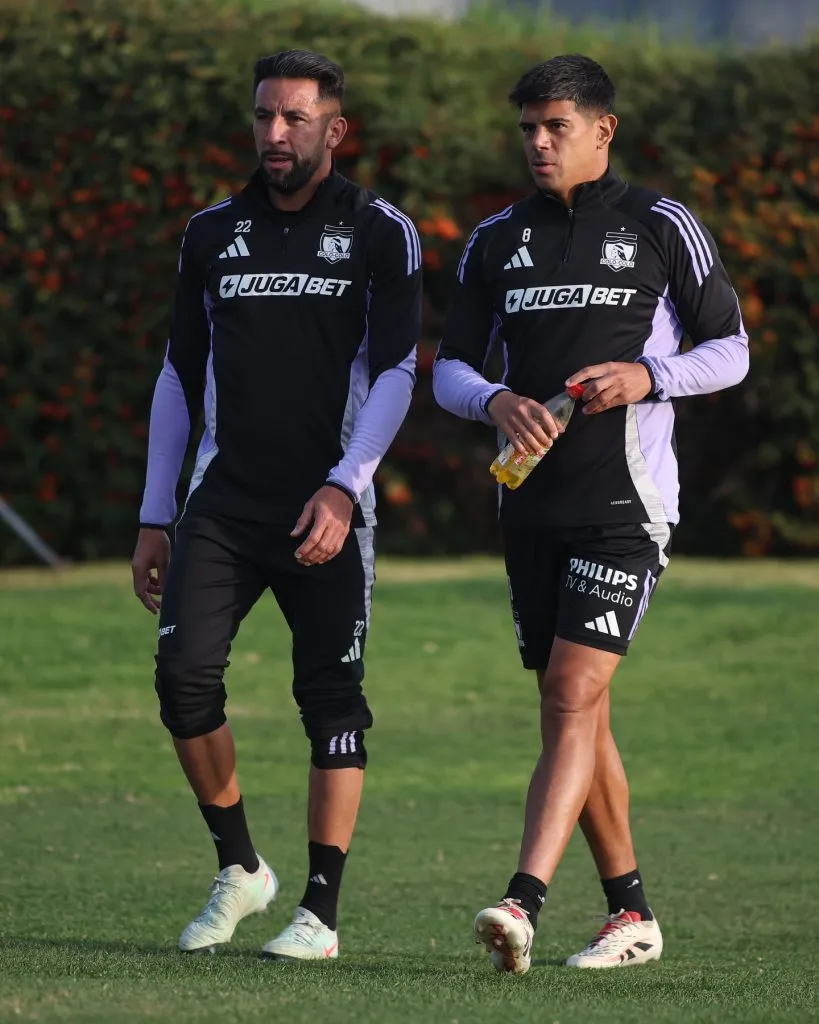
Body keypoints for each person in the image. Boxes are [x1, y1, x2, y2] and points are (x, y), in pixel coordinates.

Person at [433, 54, 748, 974]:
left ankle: (520, 899)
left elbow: (728, 349)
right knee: (578, 709)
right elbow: (448, 364)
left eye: (555, 125)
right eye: (526, 126)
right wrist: (492, 399)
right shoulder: (494, 240)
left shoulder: (659, 224)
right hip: (530, 505)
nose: (536, 141)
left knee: (572, 695)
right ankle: (631, 915)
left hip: (626, 508)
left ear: (601, 131)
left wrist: (649, 374)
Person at [131, 49, 421, 960]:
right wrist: (154, 512)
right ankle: (239, 868)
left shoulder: (380, 230)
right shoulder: (211, 231)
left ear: (335, 128)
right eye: (263, 116)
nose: (276, 134)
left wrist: (347, 484)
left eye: (295, 118)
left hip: (327, 505)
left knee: (330, 698)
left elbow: (401, 372)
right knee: (182, 681)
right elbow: (179, 374)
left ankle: (320, 913)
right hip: (223, 503)